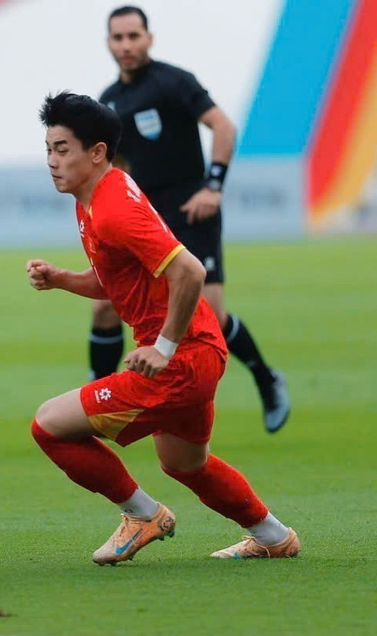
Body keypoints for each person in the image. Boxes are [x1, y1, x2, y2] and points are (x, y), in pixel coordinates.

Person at [28, 92, 299, 563]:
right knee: (185, 463)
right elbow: (118, 281)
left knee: (49, 425)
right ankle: (275, 537)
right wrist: (63, 280)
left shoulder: (114, 209)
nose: (52, 161)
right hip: (199, 352)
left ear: (96, 153)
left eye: (62, 149)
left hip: (179, 361)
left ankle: (142, 514)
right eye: (48, 149)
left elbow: (190, 271)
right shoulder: (95, 196)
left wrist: (163, 347)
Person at [89, 5, 289, 433]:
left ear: (149, 38)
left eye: (133, 36)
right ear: (108, 42)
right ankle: (100, 402)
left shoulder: (173, 81)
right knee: (104, 304)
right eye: (117, 38)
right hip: (145, 216)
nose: (126, 45)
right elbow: (115, 164)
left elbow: (222, 126)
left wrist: (213, 185)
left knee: (212, 315)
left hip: (193, 207)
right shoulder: (109, 100)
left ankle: (267, 377)